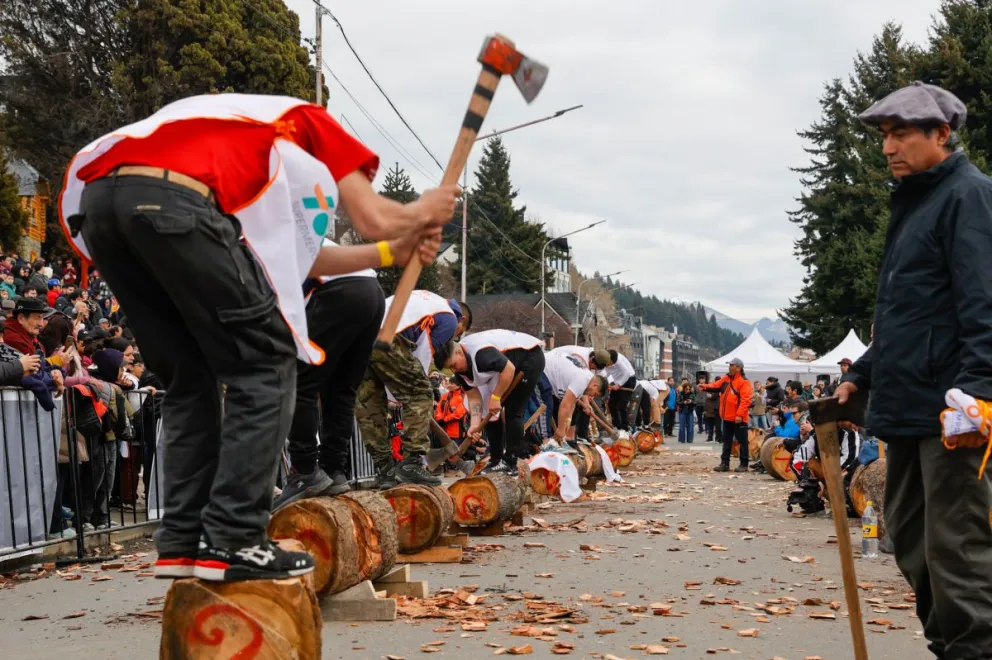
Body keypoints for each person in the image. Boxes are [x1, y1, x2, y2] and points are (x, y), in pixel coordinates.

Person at [59, 93, 458, 582]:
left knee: (190, 379)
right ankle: (234, 538)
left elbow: (309, 259)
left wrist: (391, 252)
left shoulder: (232, 135)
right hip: (173, 202)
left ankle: (185, 541)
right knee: (269, 363)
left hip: (101, 204)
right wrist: (423, 211)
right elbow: (374, 216)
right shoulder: (308, 122)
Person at [836, 81, 992, 656]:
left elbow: (984, 303)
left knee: (958, 550)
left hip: (953, 410)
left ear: (941, 134)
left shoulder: (969, 196)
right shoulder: (915, 202)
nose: (888, 147)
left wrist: (979, 394)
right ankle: (951, 647)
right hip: (905, 406)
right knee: (909, 540)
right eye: (884, 135)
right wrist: (862, 374)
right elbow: (907, 317)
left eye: (900, 133)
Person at [272, 238, 387, 511]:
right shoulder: (290, 230)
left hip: (338, 290)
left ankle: (304, 470)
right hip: (372, 291)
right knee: (341, 391)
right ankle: (334, 470)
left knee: (300, 382)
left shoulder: (254, 241)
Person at [357, 291, 471, 488]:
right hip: (391, 339)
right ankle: (411, 464)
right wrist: (409, 393)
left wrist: (396, 392)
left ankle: (385, 470)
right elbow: (421, 356)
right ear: (462, 319)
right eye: (459, 333)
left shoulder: (425, 299)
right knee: (421, 394)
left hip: (362, 336)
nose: (454, 337)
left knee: (371, 406)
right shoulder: (449, 318)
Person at [439, 330, 545, 475]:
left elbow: (509, 369)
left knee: (513, 410)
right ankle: (495, 459)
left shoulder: (481, 354)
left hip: (528, 358)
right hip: (503, 368)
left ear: (459, 352)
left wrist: (496, 397)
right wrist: (475, 424)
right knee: (488, 413)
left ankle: (510, 463)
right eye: (449, 368)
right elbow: (474, 397)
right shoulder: (460, 371)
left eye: (453, 364)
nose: (454, 370)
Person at [538, 351, 608, 447]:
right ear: (595, 385)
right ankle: (545, 443)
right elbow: (565, 405)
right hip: (543, 368)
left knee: (552, 407)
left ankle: (551, 440)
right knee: (546, 407)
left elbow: (571, 404)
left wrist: (567, 422)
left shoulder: (586, 379)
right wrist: (561, 429)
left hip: (548, 370)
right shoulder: (582, 380)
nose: (592, 397)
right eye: (595, 393)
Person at [699, 358, 753, 472]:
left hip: (739, 418)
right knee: (726, 440)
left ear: (739, 367)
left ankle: (744, 464)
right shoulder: (726, 378)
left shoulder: (744, 381)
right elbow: (715, 385)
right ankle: (724, 463)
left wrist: (739, 415)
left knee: (742, 441)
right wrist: (704, 387)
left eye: (732, 365)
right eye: (730, 365)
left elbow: (746, 400)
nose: (730, 367)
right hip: (727, 416)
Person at [601, 349, 637, 431]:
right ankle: (617, 426)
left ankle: (625, 427)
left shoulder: (619, 360)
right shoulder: (605, 359)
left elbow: (627, 373)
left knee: (622, 405)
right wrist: (608, 383)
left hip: (629, 380)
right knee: (612, 404)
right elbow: (606, 373)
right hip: (617, 380)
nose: (610, 365)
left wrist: (618, 385)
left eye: (611, 363)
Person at [676, 378, 695, 444]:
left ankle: (690, 440)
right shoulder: (680, 394)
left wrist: (691, 401)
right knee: (682, 426)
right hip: (682, 411)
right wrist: (683, 402)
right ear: (684, 389)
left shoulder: (692, 394)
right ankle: (682, 440)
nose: (688, 390)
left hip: (690, 411)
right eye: (687, 389)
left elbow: (695, 402)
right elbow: (677, 402)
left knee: (690, 426)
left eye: (689, 389)